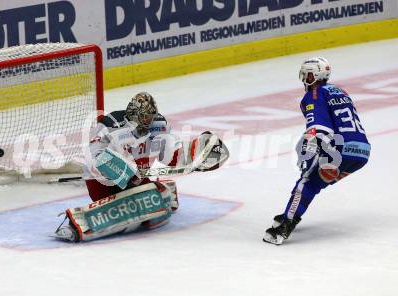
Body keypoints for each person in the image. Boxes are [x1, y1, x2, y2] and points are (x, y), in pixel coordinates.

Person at [55, 92, 229, 242]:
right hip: (102, 182)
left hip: (138, 180)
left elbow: (171, 153)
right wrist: (124, 172)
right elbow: (95, 158)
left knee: (152, 211)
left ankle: (145, 200)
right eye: (144, 116)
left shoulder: (158, 125)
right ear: (133, 113)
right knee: (149, 204)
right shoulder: (109, 124)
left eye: (150, 116)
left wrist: (196, 156)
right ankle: (80, 224)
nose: (148, 120)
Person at [263, 57, 371, 245]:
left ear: (314, 76)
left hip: (340, 149)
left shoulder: (314, 94)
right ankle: (290, 214)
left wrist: (310, 151)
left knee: (307, 181)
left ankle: (285, 226)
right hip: (361, 152)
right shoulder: (340, 91)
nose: (305, 78)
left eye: (308, 74)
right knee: (314, 182)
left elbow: (319, 129)